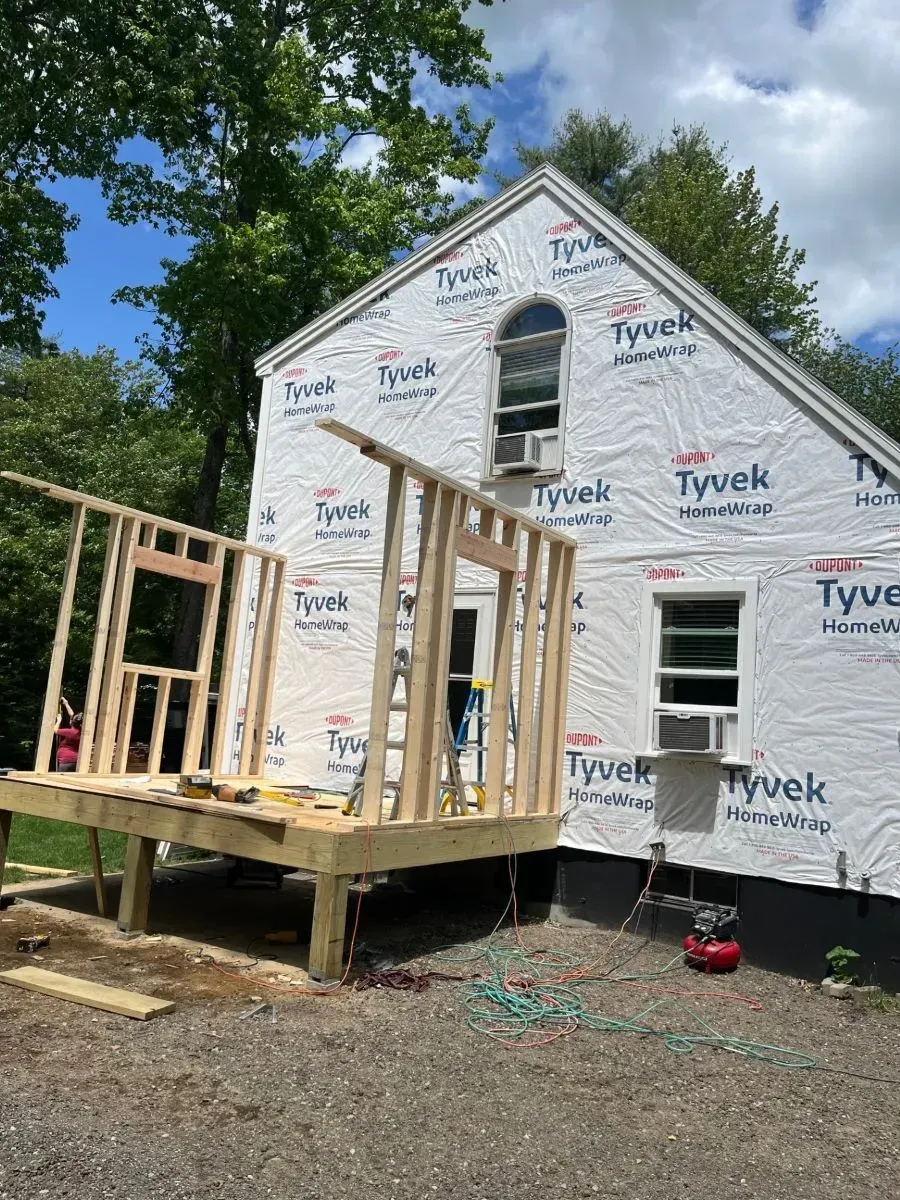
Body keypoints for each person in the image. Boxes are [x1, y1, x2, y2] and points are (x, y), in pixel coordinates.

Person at [54, 696, 83, 772]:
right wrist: (66, 703)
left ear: (72, 722)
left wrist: (59, 720)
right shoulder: (80, 731)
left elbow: (55, 730)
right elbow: (71, 714)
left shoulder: (71, 732)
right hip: (75, 761)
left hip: (66, 762)